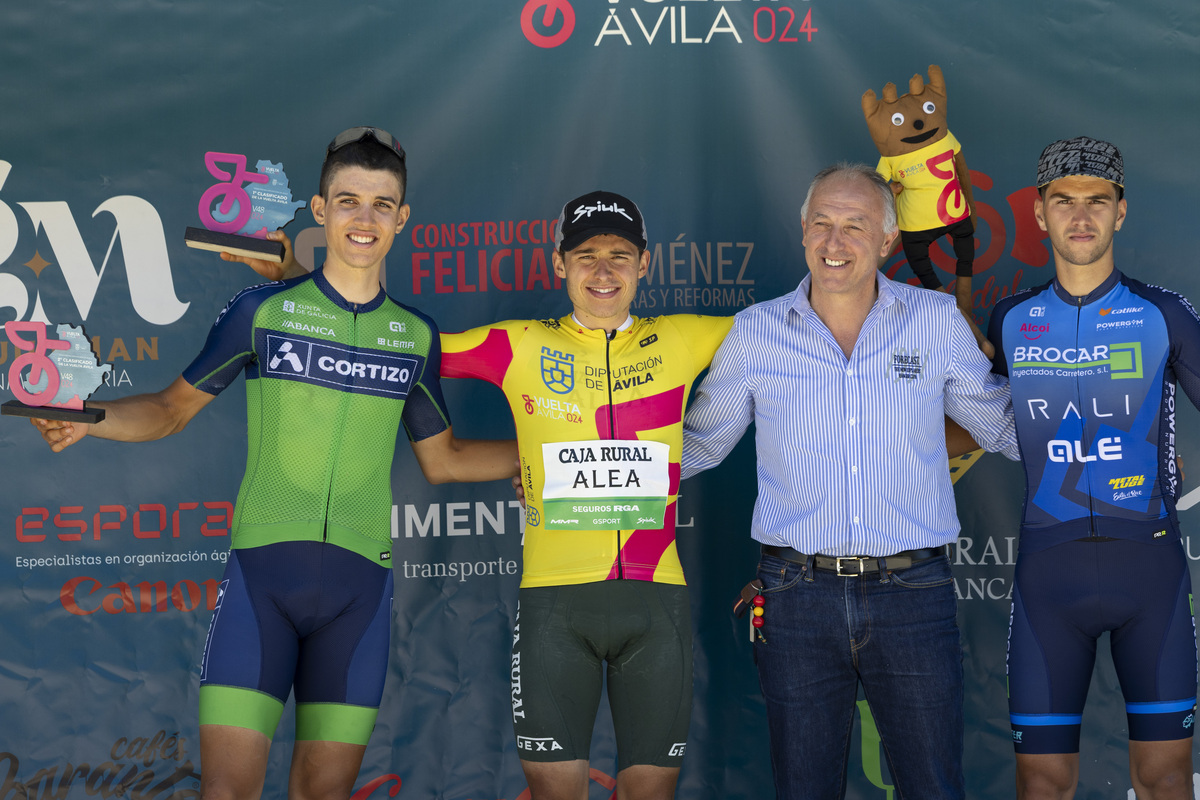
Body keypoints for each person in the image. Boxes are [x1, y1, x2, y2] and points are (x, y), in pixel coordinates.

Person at [30, 126, 518, 800]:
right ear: (320, 212)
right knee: (226, 794)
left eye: (382, 205)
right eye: (348, 201)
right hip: (263, 583)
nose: (364, 219)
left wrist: (551, 458)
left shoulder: (415, 335)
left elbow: (445, 459)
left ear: (402, 218)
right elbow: (171, 408)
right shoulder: (263, 311)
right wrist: (91, 419)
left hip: (360, 595)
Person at [680, 163, 1019, 800]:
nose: (835, 243)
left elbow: (1001, 425)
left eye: (855, 226)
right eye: (822, 225)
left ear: (888, 241)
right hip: (794, 594)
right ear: (802, 233)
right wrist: (563, 479)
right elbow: (699, 444)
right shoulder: (754, 333)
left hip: (913, 592)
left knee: (934, 788)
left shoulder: (935, 320)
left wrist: (1121, 452)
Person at [436, 191, 733, 800]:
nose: (603, 271)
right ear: (559, 264)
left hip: (657, 604)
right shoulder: (516, 343)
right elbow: (402, 349)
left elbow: (807, 327)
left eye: (620, 256)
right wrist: (296, 284)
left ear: (645, 264)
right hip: (554, 607)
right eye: (586, 255)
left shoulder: (686, 339)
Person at [986, 136, 1199, 800]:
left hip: (1151, 574)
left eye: (1097, 202)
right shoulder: (1012, 320)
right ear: (1040, 214)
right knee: (1043, 781)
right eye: (1064, 202)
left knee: (1164, 777)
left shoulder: (1163, 314)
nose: (1081, 217)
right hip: (1050, 578)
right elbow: (973, 422)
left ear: (1121, 212)